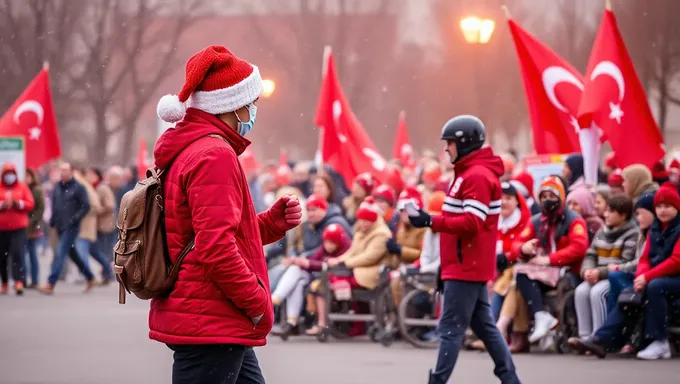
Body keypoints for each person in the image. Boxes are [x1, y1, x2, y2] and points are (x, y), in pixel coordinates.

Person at [151, 45, 302, 384]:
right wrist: (258, 301)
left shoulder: (194, 147)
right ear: (232, 106)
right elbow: (215, 248)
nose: (254, 111)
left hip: (209, 312)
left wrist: (271, 223)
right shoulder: (214, 154)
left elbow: (207, 233)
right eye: (252, 103)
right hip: (212, 316)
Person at [407, 115, 519, 384]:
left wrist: (430, 221)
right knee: (484, 327)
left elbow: (472, 222)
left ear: (466, 143)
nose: (446, 149)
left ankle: (439, 380)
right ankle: (510, 378)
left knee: (450, 329)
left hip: (466, 265)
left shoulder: (477, 176)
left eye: (450, 143)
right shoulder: (467, 173)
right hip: (463, 263)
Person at [572, 183, 680, 360]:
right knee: (627, 291)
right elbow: (645, 258)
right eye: (659, 206)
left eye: (667, 206)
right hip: (654, 275)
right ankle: (603, 339)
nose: (662, 211)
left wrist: (646, 276)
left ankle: (659, 341)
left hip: (672, 277)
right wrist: (640, 277)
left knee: (654, 286)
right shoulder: (656, 228)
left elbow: (676, 261)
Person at [510, 175, 589, 343]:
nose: (548, 200)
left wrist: (550, 260)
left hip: (567, 269)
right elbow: (517, 244)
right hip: (544, 272)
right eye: (544, 197)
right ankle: (537, 318)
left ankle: (520, 331)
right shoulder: (537, 221)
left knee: (520, 276)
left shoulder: (574, 220)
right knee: (520, 275)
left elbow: (578, 248)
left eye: (552, 196)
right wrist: (524, 249)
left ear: (560, 197)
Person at [571, 195, 638, 341]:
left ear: (623, 215)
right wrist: (587, 270)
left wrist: (600, 272)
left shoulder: (632, 234)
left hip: (611, 276)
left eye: (611, 211)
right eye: (606, 210)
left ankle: (599, 337)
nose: (605, 214)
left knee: (598, 293)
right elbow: (590, 255)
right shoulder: (602, 232)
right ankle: (584, 335)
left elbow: (624, 262)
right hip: (596, 274)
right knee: (581, 291)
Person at [39, 162, 97, 294]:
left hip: (71, 227)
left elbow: (86, 206)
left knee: (60, 252)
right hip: (60, 225)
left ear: (71, 172)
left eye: (66, 170)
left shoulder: (78, 187)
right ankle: (90, 277)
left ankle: (50, 282)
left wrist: (75, 218)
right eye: (62, 171)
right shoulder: (57, 187)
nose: (63, 173)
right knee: (73, 254)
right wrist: (53, 219)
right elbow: (55, 204)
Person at [304, 224, 352, 335]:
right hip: (328, 278)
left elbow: (342, 265)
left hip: (342, 278)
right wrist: (309, 263)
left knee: (320, 288)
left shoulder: (346, 248)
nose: (328, 246)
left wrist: (318, 264)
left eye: (332, 243)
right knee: (316, 288)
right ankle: (320, 322)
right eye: (326, 242)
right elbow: (313, 261)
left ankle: (322, 323)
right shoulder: (325, 248)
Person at [0, 162, 34, 295]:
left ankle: (19, 281)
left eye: (11, 174)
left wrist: (17, 203)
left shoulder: (22, 187)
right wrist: (2, 205)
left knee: (17, 253)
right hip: (2, 228)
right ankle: (5, 282)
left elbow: (30, 203)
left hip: (18, 227)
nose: (9, 177)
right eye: (7, 174)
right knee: (2, 256)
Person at [86, 167, 117, 284]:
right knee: (99, 251)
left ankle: (108, 274)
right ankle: (107, 274)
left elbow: (110, 205)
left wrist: (98, 210)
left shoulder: (102, 188)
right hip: (99, 226)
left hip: (105, 225)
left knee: (102, 251)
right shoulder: (95, 188)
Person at [24, 168, 45, 288]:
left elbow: (41, 208)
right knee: (22, 254)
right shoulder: (22, 189)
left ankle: (35, 280)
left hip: (32, 227)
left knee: (32, 254)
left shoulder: (36, 190)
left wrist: (32, 221)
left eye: (28, 176)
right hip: (22, 227)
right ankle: (23, 279)